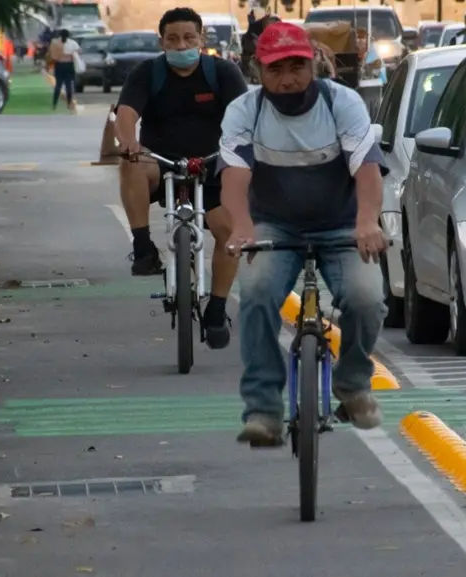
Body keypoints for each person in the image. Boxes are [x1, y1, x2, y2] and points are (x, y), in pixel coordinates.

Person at [218, 22, 388, 446]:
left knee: (367, 299)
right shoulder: (245, 110)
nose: (287, 79)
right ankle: (263, 409)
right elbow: (235, 176)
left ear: (313, 65)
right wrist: (242, 224)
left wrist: (367, 221)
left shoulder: (342, 102)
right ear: (259, 70)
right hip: (274, 225)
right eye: (276, 70)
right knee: (255, 293)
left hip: (342, 224)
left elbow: (367, 168)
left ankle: (351, 383)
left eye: (297, 67)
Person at [114, 8, 249, 349]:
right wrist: (128, 141)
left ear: (201, 39)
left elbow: (248, 116)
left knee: (230, 234)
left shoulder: (223, 73)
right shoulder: (147, 73)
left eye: (189, 37)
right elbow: (127, 113)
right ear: (161, 41)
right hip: (161, 164)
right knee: (130, 163)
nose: (181, 44)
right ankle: (142, 247)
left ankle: (217, 308)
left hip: (212, 166)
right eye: (172, 38)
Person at [48, 29, 81, 111]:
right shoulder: (72, 43)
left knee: (58, 86)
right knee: (69, 86)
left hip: (59, 66)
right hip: (69, 65)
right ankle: (69, 103)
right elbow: (79, 51)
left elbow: (52, 55)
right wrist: (70, 54)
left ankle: (54, 104)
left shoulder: (55, 43)